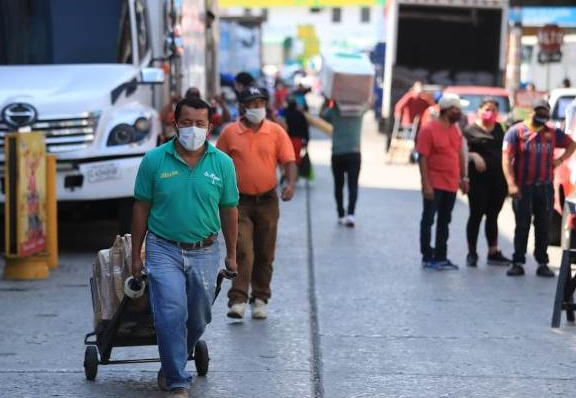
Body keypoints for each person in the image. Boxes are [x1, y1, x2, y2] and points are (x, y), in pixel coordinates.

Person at [131, 96, 239, 396]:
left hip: (205, 250)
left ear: (210, 126)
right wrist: (134, 257)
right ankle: (177, 380)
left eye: (200, 124)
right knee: (170, 311)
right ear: (175, 124)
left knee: (199, 315)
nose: (193, 129)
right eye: (187, 123)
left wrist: (231, 254)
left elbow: (229, 210)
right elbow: (140, 208)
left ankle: (173, 361)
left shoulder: (223, 164)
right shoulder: (154, 161)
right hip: (163, 247)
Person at [216, 86, 297, 320]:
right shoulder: (230, 133)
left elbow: (289, 161)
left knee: (265, 252)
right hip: (238, 202)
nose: (256, 108)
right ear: (242, 107)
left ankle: (260, 298)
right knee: (243, 250)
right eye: (251, 104)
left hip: (268, 200)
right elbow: (216, 164)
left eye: (260, 103)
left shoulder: (276, 132)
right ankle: (238, 299)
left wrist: (289, 184)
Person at [502, 98, 576, 277]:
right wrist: (511, 184)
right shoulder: (516, 132)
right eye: (539, 111)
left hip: (545, 187)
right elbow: (506, 159)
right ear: (531, 111)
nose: (542, 115)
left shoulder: (552, 132)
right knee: (522, 224)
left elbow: (571, 144)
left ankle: (542, 262)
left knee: (543, 226)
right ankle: (518, 261)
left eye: (545, 111)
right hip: (523, 187)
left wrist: (559, 160)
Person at [417, 93, 470, 270]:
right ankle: (427, 255)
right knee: (429, 219)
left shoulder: (455, 130)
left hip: (451, 183)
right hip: (434, 183)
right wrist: (426, 184)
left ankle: (441, 255)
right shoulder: (428, 129)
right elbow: (422, 157)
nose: (460, 113)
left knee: (445, 220)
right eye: (457, 109)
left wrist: (464, 178)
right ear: (447, 110)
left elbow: (459, 154)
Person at [464, 97, 510, 267]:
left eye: (493, 110)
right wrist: (473, 156)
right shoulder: (469, 131)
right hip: (477, 182)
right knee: (476, 216)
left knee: (493, 217)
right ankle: (472, 252)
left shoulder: (501, 129)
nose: (489, 113)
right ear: (480, 110)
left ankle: (493, 251)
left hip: (498, 182)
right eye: (486, 109)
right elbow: (459, 153)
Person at [320, 97, 366, 227]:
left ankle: (341, 214)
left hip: (338, 153)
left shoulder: (334, 110)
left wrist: (328, 99)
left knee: (338, 185)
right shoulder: (360, 109)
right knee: (353, 185)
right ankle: (350, 214)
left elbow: (322, 115)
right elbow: (370, 100)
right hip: (354, 153)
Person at [284, 96, 310, 167]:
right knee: (295, 161)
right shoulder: (300, 115)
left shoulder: (284, 113)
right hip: (297, 141)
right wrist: (307, 141)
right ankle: (293, 176)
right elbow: (305, 129)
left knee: (286, 161)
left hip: (286, 141)